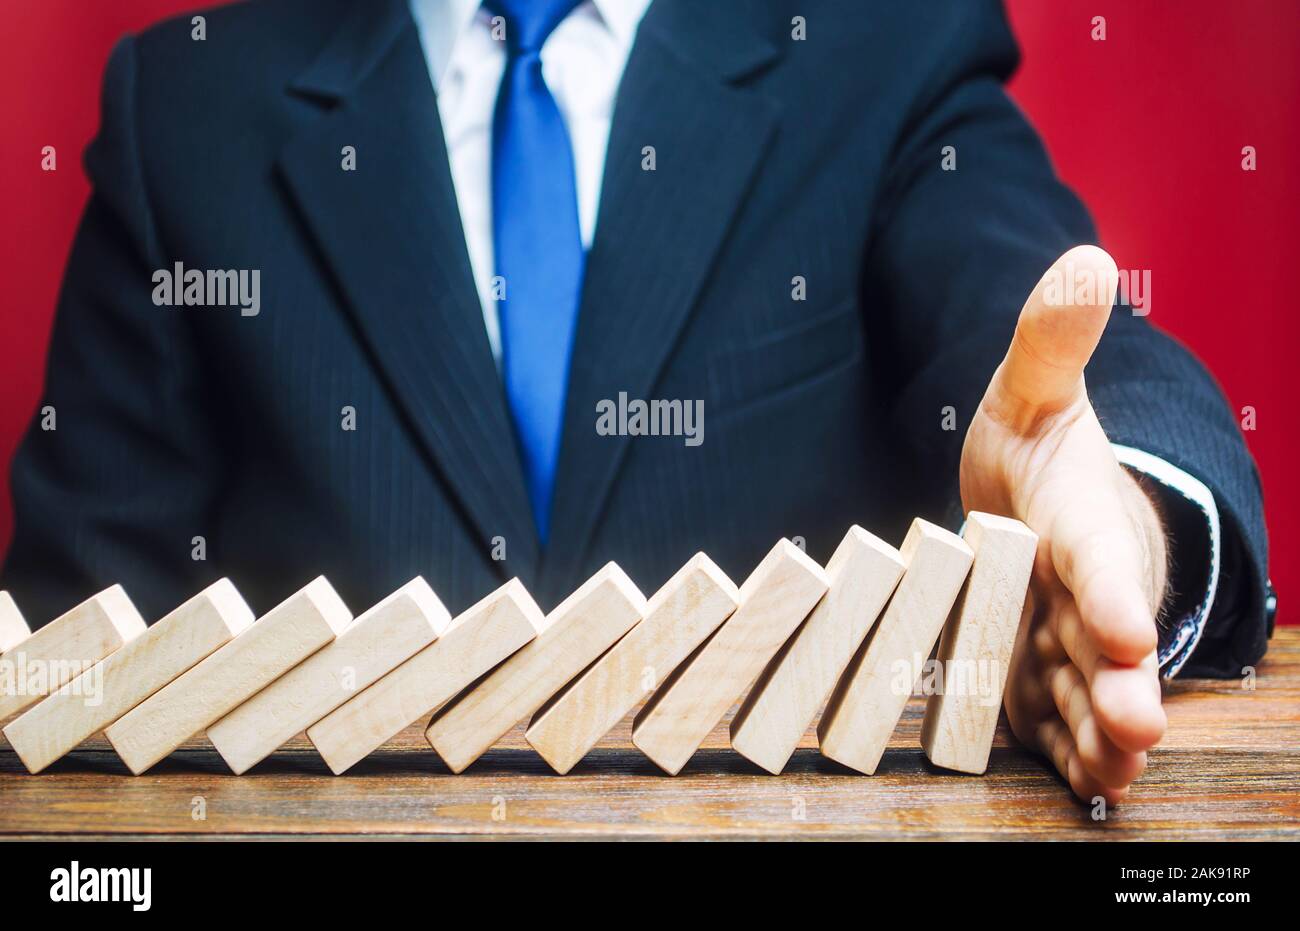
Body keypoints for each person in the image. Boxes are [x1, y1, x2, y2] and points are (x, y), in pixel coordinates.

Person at [1, 0, 1271, 804]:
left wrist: (1113, 517)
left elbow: (1053, 344)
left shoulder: (883, 46)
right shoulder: (189, 107)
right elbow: (64, 657)